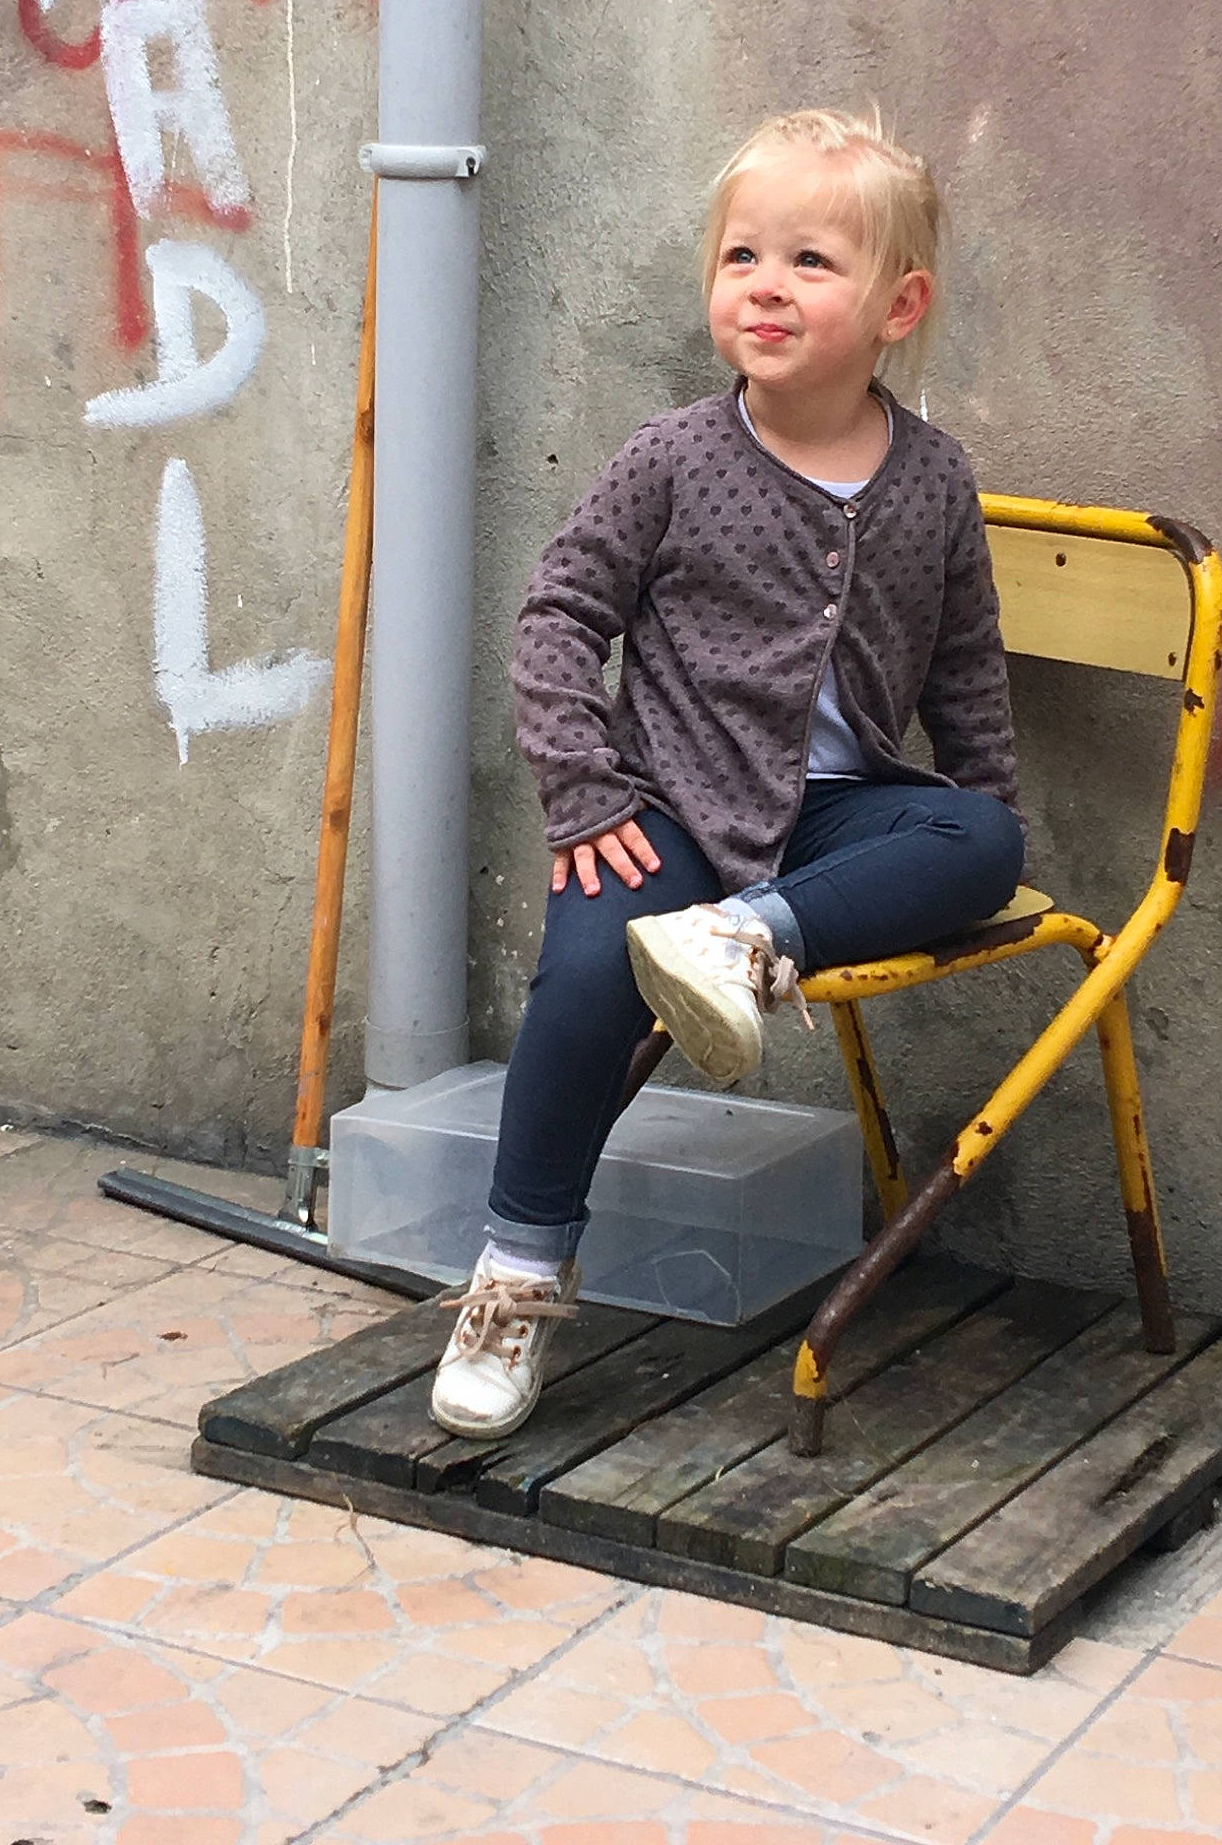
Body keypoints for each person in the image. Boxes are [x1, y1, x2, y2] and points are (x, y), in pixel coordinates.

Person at [430, 107, 1025, 1440]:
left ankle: (746, 938)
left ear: (898, 306)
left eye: (811, 262)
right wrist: (584, 790)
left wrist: (982, 799)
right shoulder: (673, 458)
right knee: (588, 977)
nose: (765, 285)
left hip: (838, 820)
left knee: (986, 839)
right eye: (742, 256)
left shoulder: (934, 479)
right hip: (669, 804)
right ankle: (518, 1271)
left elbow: (966, 660)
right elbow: (558, 616)